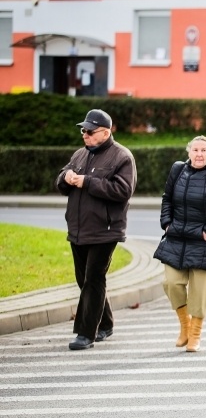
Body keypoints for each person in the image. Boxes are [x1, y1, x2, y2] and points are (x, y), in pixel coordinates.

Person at [55, 109, 137, 351]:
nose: (85, 134)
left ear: (105, 132)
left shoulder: (122, 156)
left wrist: (87, 182)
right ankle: (106, 324)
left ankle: (85, 334)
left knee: (93, 279)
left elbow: (123, 190)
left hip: (105, 230)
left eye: (90, 131)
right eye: (83, 130)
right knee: (85, 280)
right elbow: (60, 182)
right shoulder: (80, 154)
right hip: (78, 229)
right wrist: (65, 177)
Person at [153, 136, 206, 352]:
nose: (199, 154)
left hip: (203, 242)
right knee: (171, 284)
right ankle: (185, 326)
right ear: (188, 152)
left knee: (199, 292)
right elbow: (167, 198)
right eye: (195, 150)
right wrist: (166, 223)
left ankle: (195, 335)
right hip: (176, 238)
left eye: (203, 150)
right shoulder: (178, 170)